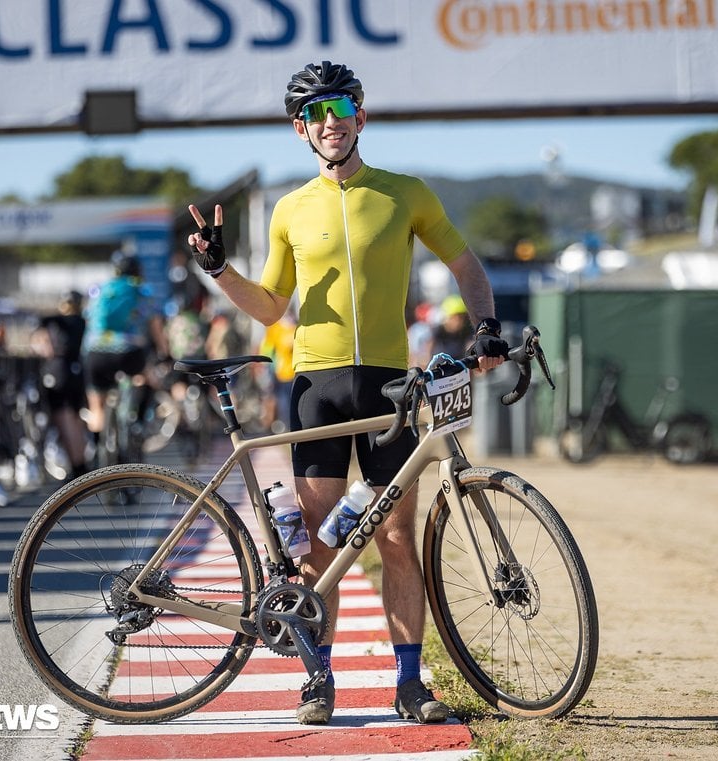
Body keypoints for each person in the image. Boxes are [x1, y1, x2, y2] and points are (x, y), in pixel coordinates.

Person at [186, 60, 508, 726]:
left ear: (360, 116)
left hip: (391, 388)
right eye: (315, 114)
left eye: (340, 109)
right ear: (300, 129)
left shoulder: (405, 193)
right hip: (318, 389)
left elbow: (466, 265)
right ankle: (318, 678)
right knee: (321, 544)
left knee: (395, 536)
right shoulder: (291, 208)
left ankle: (410, 682)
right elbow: (272, 306)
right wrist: (220, 270)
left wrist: (487, 327)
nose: (330, 123)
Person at [81, 250, 161, 457]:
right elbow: (154, 325)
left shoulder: (99, 290)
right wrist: (164, 351)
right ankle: (138, 423)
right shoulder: (141, 290)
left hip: (95, 351)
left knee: (97, 403)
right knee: (147, 379)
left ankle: (95, 448)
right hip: (128, 349)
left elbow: (89, 321)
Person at [31, 290, 90, 479]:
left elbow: (39, 326)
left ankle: (77, 468)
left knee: (65, 421)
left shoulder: (60, 322)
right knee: (75, 420)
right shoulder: (82, 322)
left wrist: (44, 346)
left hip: (60, 373)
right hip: (77, 372)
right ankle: (81, 465)